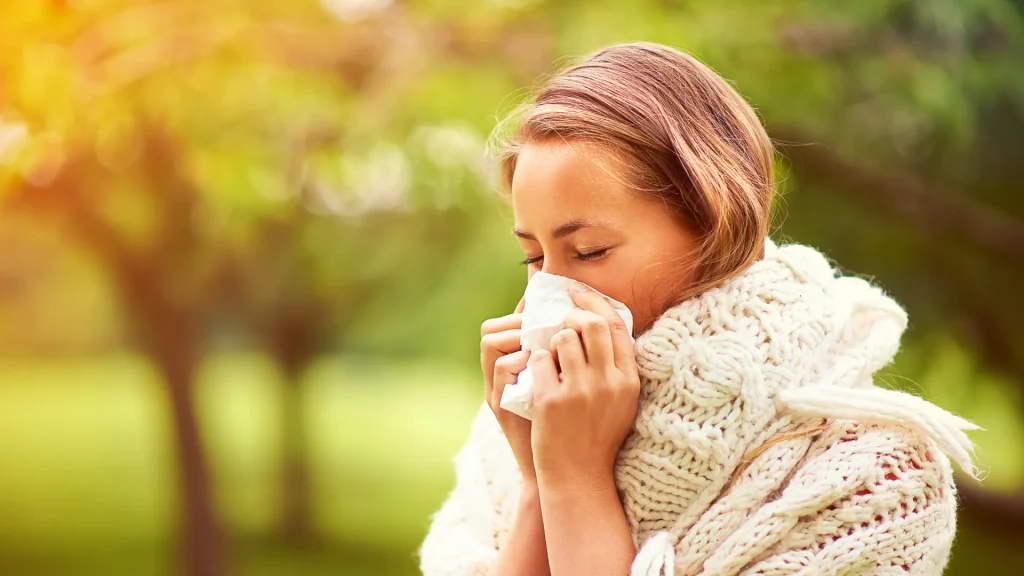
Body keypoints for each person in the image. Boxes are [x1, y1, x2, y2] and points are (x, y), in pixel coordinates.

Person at [420, 42, 980, 576]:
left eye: (588, 251)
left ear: (714, 224)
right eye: (534, 257)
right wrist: (539, 483)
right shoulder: (517, 432)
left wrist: (579, 481)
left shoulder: (873, 474)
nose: (551, 293)